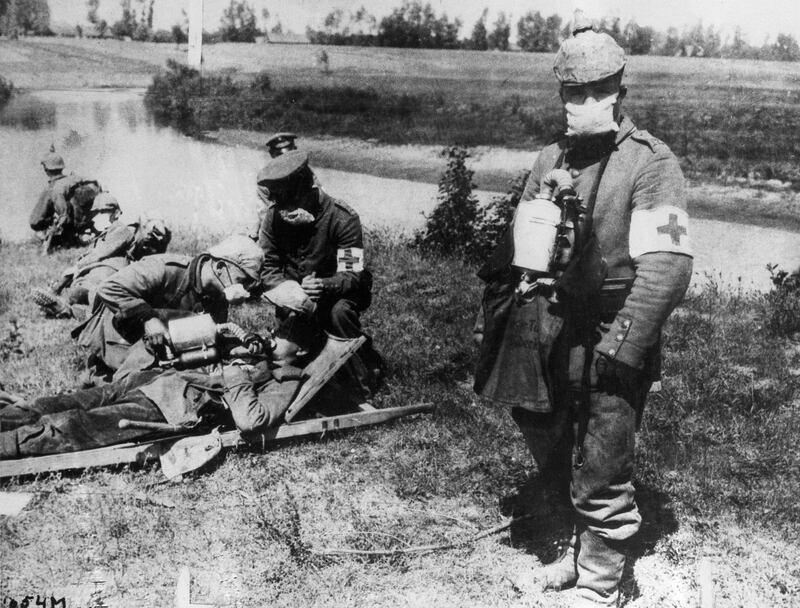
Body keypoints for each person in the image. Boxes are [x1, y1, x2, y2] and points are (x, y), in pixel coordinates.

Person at [474, 12, 693, 607]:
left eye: (597, 92)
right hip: (550, 325)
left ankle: (601, 584)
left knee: (602, 456)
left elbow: (668, 268)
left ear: (619, 93)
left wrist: (623, 344)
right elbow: (524, 243)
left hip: (612, 326)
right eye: (573, 92)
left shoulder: (649, 163)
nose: (582, 104)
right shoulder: (551, 158)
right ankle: (575, 553)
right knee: (549, 430)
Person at [0, 318, 324, 460]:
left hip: (172, 403)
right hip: (150, 380)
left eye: (281, 336)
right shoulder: (256, 353)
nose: (271, 336)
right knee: (59, 403)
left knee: (76, 424)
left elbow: (252, 420)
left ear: (302, 352)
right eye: (273, 329)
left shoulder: (286, 381)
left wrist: (238, 372)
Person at [256, 148, 382, 400]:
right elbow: (267, 268)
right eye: (281, 203)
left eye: (293, 202)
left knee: (339, 313)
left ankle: (361, 380)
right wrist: (291, 292)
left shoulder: (343, 218)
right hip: (294, 301)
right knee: (282, 354)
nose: (286, 211)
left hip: (338, 295)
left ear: (308, 188)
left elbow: (352, 275)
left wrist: (324, 286)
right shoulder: (273, 217)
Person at [72, 234, 264, 382]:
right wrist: (148, 318)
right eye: (242, 280)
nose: (244, 289)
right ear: (221, 266)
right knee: (134, 389)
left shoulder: (217, 296)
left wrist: (237, 346)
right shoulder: (165, 267)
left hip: (162, 349)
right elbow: (110, 288)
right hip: (119, 335)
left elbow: (209, 336)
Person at [31, 208, 172, 320]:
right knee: (86, 293)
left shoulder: (153, 245)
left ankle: (66, 309)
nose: (150, 241)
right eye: (149, 234)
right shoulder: (125, 232)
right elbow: (99, 253)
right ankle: (63, 305)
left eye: (155, 239)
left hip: (119, 281)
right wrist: (77, 268)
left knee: (95, 302)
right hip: (105, 274)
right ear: (142, 226)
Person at [29, 148, 102, 253]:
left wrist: (55, 227)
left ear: (46, 169)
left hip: (72, 223)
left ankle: (68, 239)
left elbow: (63, 215)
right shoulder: (74, 178)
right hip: (86, 217)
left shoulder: (55, 189)